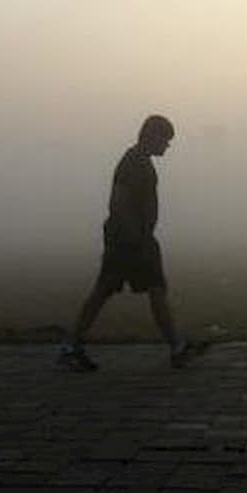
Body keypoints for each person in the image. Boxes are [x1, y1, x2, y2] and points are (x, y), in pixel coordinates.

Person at [58, 115, 187, 371]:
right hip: (129, 241)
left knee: (150, 289)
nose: (167, 146)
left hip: (133, 238)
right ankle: (177, 347)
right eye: (165, 140)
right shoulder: (134, 164)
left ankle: (177, 346)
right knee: (117, 290)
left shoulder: (140, 162)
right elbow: (118, 202)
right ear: (152, 136)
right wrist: (135, 238)